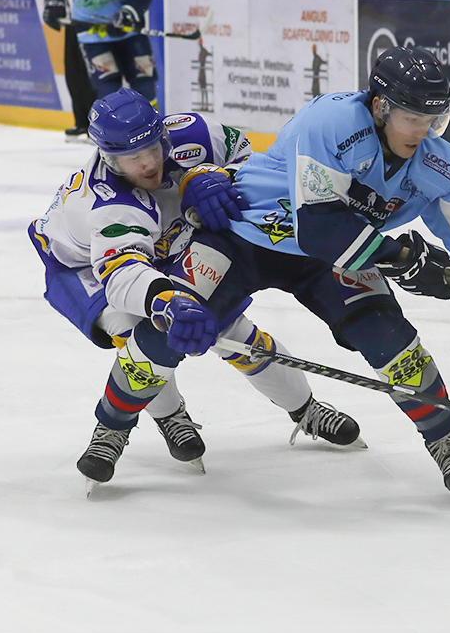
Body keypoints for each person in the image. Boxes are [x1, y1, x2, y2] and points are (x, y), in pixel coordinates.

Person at [167, 46, 450, 504]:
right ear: (381, 107)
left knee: (392, 339)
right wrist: (401, 256)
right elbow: (320, 227)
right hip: (249, 236)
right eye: (413, 119)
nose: (424, 133)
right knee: (170, 322)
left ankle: (443, 438)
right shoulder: (333, 122)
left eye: (434, 121)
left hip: (337, 255)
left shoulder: (441, 162)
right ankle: (117, 427)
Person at [28, 88, 362, 492]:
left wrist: (212, 175)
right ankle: (164, 418)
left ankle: (305, 409)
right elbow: (122, 273)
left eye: (153, 147)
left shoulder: (196, 134)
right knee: (138, 336)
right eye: (134, 158)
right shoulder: (108, 205)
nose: (149, 162)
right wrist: (166, 303)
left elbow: (248, 158)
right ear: (108, 158)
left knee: (233, 332)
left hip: (166, 241)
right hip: (86, 266)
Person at [51, 0, 96, 140]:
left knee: (91, 75)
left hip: (90, 22)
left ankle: (94, 123)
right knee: (74, 73)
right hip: (72, 22)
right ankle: (81, 121)